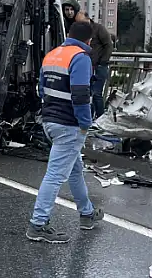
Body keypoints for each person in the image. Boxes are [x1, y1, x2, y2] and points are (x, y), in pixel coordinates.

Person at [28, 20, 104, 243]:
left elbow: (42, 89)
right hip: (69, 125)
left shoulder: (52, 55)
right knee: (55, 175)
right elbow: (80, 95)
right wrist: (85, 123)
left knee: (74, 170)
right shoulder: (80, 58)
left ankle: (87, 214)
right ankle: (38, 224)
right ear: (89, 41)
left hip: (50, 121)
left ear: (69, 34)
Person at [62, 1, 114, 120]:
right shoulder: (79, 30)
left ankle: (100, 119)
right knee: (87, 93)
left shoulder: (98, 28)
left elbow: (108, 45)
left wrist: (102, 62)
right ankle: (90, 118)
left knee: (96, 94)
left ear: (88, 19)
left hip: (99, 66)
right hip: (86, 66)